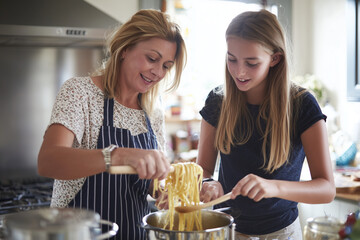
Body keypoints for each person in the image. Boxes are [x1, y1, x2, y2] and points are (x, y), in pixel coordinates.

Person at [37, 9, 186, 240]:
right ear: (125, 49)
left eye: (166, 66)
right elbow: (48, 161)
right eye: (152, 59)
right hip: (77, 234)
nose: (158, 72)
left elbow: (153, 181)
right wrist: (117, 155)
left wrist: (163, 191)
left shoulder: (152, 111)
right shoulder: (80, 93)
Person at [197, 9, 335, 240]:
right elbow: (202, 170)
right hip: (226, 230)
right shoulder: (217, 101)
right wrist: (208, 183)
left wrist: (274, 187)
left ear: (275, 58)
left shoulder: (302, 105)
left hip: (282, 232)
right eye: (232, 59)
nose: (239, 71)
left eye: (251, 63)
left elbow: (326, 189)